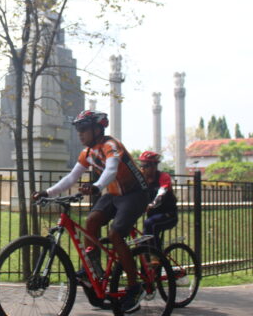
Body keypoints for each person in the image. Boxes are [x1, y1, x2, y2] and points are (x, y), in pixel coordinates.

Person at [33, 110, 149, 314]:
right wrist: (47, 192)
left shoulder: (110, 145)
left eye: (84, 129)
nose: (80, 133)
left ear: (98, 128)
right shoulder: (87, 153)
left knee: (115, 234)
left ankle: (134, 286)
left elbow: (111, 170)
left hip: (135, 194)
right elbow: (71, 178)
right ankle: (93, 269)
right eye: (78, 129)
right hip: (114, 194)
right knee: (91, 222)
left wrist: (96, 186)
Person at [137, 151, 178, 256]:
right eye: (141, 165)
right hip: (153, 216)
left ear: (154, 166)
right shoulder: (142, 179)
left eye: (146, 165)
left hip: (168, 215)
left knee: (150, 224)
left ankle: (157, 257)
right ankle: (147, 270)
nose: (143, 168)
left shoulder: (163, 177)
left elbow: (161, 193)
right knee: (142, 244)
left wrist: (152, 205)